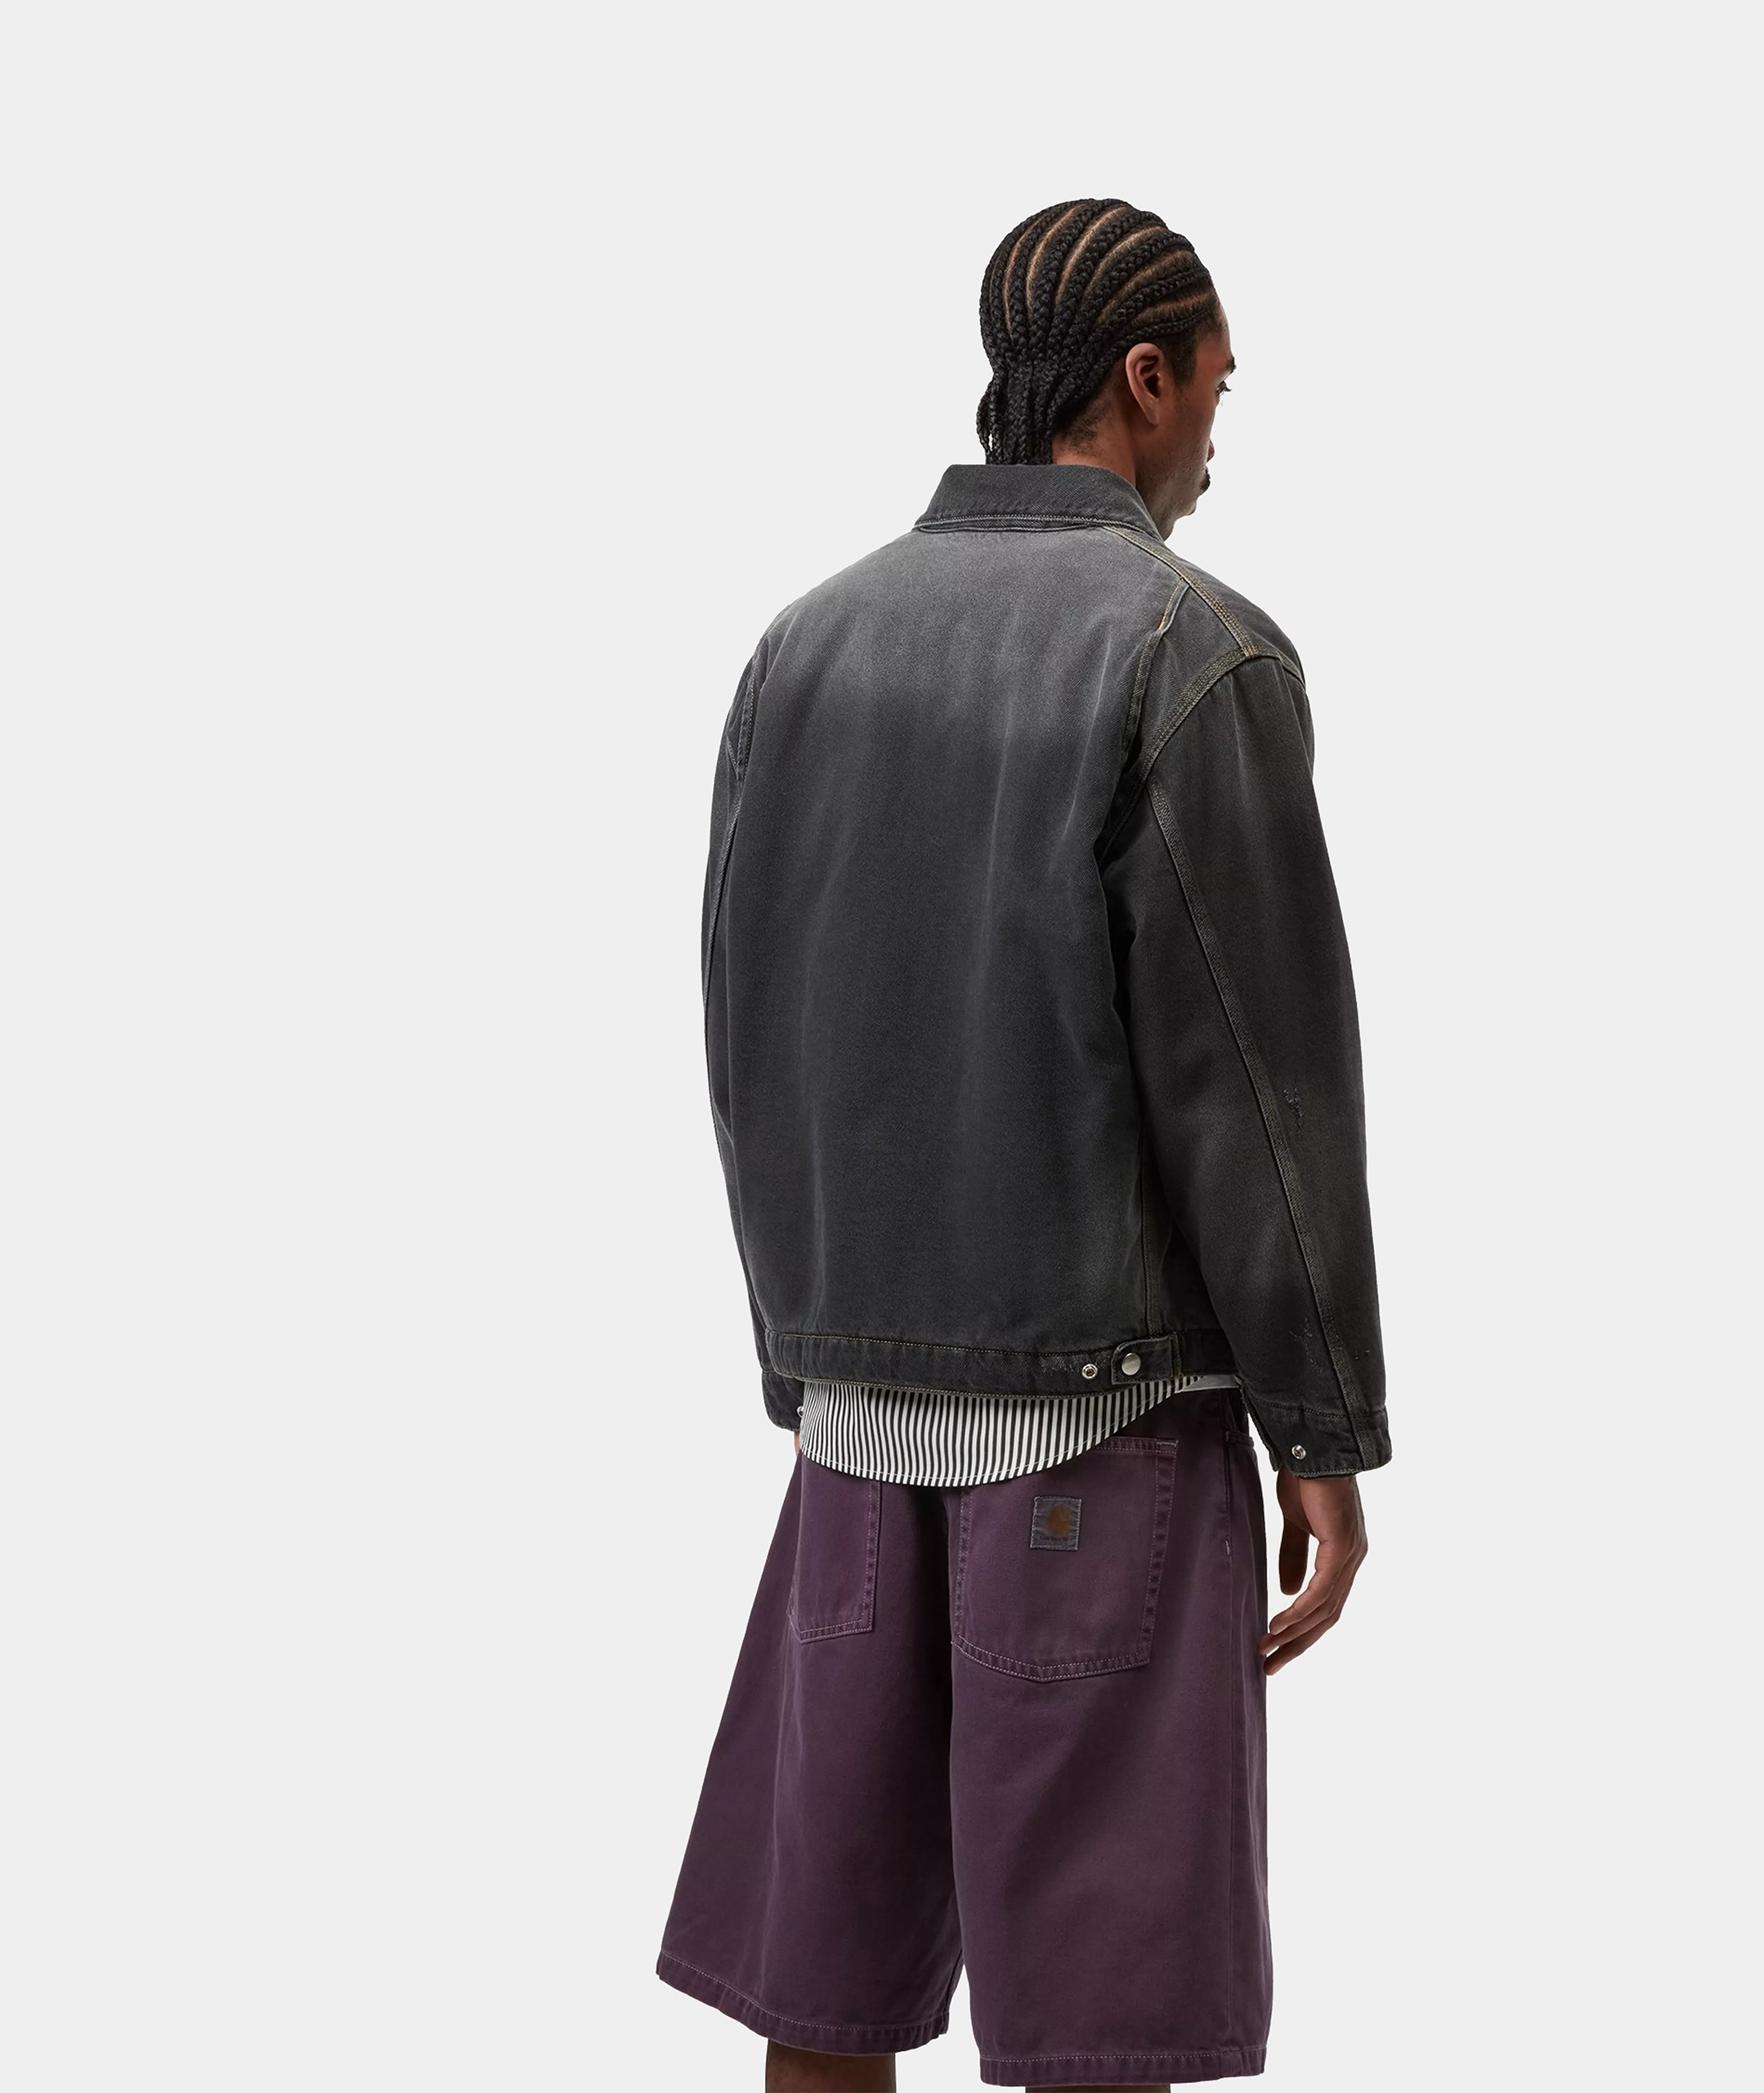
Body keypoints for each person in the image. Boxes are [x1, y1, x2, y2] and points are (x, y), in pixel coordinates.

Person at [657, 199, 1388, 2092]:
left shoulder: (804, 645)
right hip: (1104, 1433)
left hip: (853, 1434)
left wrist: (804, 1356)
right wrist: (1320, 1429)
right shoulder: (1187, 649)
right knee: (1097, 2027)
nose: (1216, 437)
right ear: (1140, 379)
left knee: (826, 1994)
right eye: (1214, 389)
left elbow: (745, 1024)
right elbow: (1257, 1080)